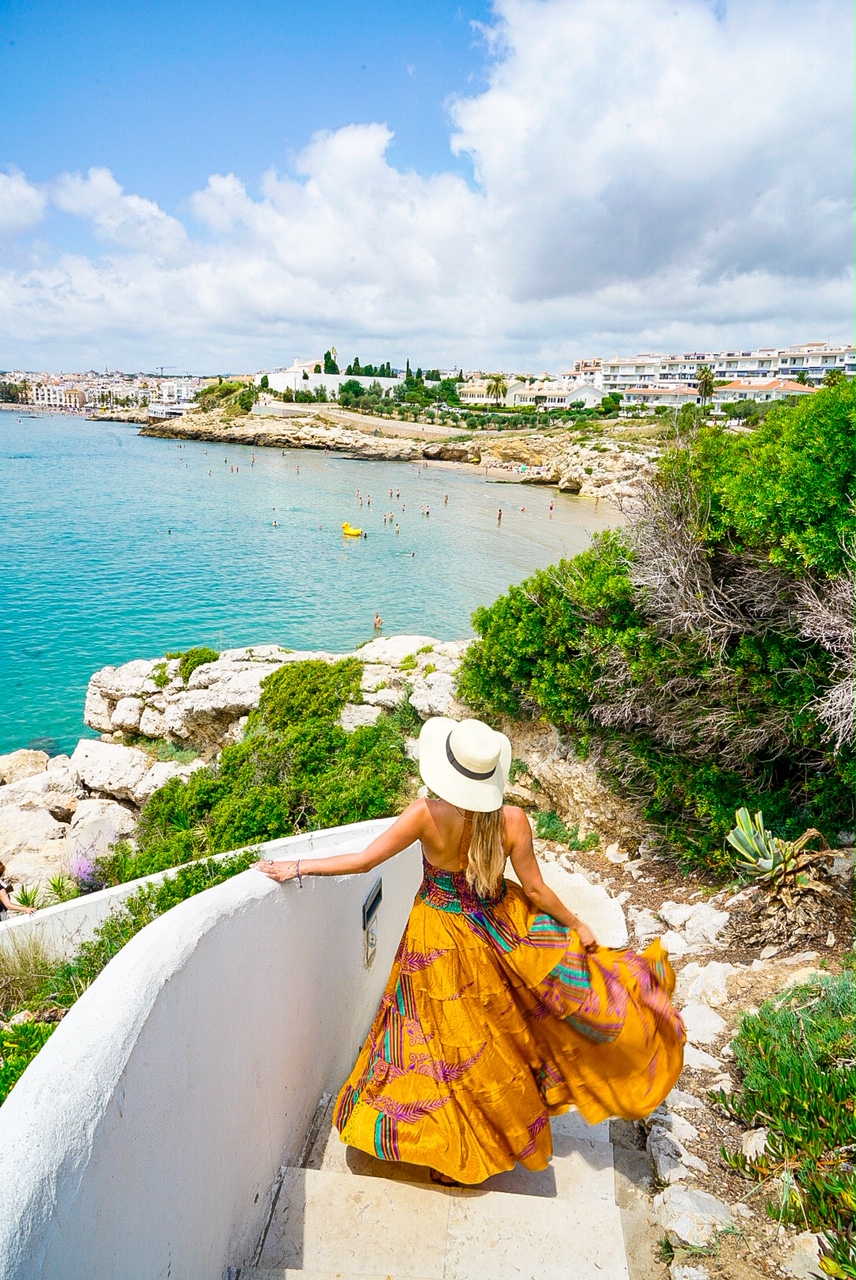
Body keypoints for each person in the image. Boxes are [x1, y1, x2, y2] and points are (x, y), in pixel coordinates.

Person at [255, 717, 684, 1187]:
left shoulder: (425, 814)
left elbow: (364, 860)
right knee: (497, 1034)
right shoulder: (513, 821)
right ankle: (496, 1124)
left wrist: (295, 865)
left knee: (436, 1045)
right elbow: (537, 891)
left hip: (435, 937)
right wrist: (577, 925)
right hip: (499, 928)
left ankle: (447, 1146)